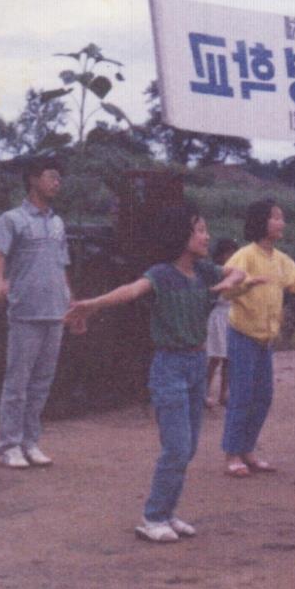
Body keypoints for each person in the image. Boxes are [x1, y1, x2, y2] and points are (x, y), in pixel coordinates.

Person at [64, 204, 252, 541]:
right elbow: (131, 291)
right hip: (170, 367)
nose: (206, 236)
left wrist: (230, 281)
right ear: (182, 235)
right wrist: (92, 305)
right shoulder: (161, 274)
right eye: (200, 230)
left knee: (189, 447)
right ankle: (152, 517)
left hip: (196, 365)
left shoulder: (205, 272)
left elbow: (239, 273)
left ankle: (167, 512)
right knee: (177, 447)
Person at [220, 199, 295, 478]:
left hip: (265, 339)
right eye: (276, 217)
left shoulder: (279, 259)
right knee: (241, 395)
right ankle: (232, 453)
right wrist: (246, 284)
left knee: (263, 396)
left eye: (282, 217)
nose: (282, 222)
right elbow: (225, 289)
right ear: (261, 221)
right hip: (243, 334)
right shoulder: (245, 255)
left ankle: (248, 449)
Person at [0, 157, 73, 469]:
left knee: (42, 382)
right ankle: (9, 445)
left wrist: (69, 301)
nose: (57, 182)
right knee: (17, 382)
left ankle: (30, 442)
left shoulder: (58, 222)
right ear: (34, 179)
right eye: (52, 176)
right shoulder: (12, 219)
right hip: (25, 310)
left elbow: (62, 263)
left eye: (58, 177)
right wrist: (0, 281)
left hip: (55, 311)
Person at [204, 238, 239, 409]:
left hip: (232, 317)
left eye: (233, 252)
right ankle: (204, 392)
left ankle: (224, 394)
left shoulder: (238, 272)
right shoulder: (215, 273)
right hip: (218, 316)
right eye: (228, 253)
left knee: (229, 359)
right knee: (215, 357)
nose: (231, 256)